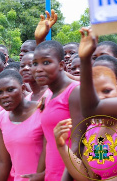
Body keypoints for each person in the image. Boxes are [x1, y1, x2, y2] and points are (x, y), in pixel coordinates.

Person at [54, 63, 117, 180]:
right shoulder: (93, 130)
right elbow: (89, 177)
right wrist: (61, 146)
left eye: (106, 91)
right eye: (94, 95)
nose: (100, 98)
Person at [32, 40, 85, 181]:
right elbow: (48, 141)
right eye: (35, 63)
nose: (38, 69)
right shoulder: (48, 95)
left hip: (69, 175)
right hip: (52, 173)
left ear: (61, 65)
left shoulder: (75, 92)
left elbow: (78, 143)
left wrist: (65, 178)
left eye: (46, 62)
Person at [0, 69, 45, 181]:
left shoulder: (42, 111)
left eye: (10, 90)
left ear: (22, 88)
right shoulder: (2, 117)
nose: (4, 96)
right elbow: (4, 162)